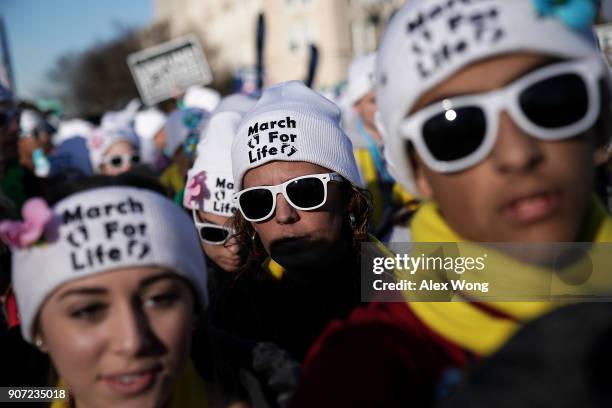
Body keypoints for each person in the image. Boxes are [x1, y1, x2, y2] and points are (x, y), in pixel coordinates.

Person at [289, 0, 612, 406]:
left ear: (598, 121)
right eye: (456, 129)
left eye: (550, 100)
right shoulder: (367, 360)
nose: (516, 154)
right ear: (419, 173)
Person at [1, 176, 238, 407]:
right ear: (39, 331)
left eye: (159, 299)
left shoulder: (259, 393)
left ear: (194, 310)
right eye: (88, 310)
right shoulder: (23, 394)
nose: (132, 342)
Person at [229, 80, 374, 362]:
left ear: (347, 195)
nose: (284, 216)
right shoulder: (234, 312)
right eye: (258, 201)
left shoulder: (415, 276)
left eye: (305, 192)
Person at [344, 53, 416, 242]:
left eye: (388, 96)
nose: (383, 106)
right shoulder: (346, 150)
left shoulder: (409, 137)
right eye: (374, 100)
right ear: (356, 105)